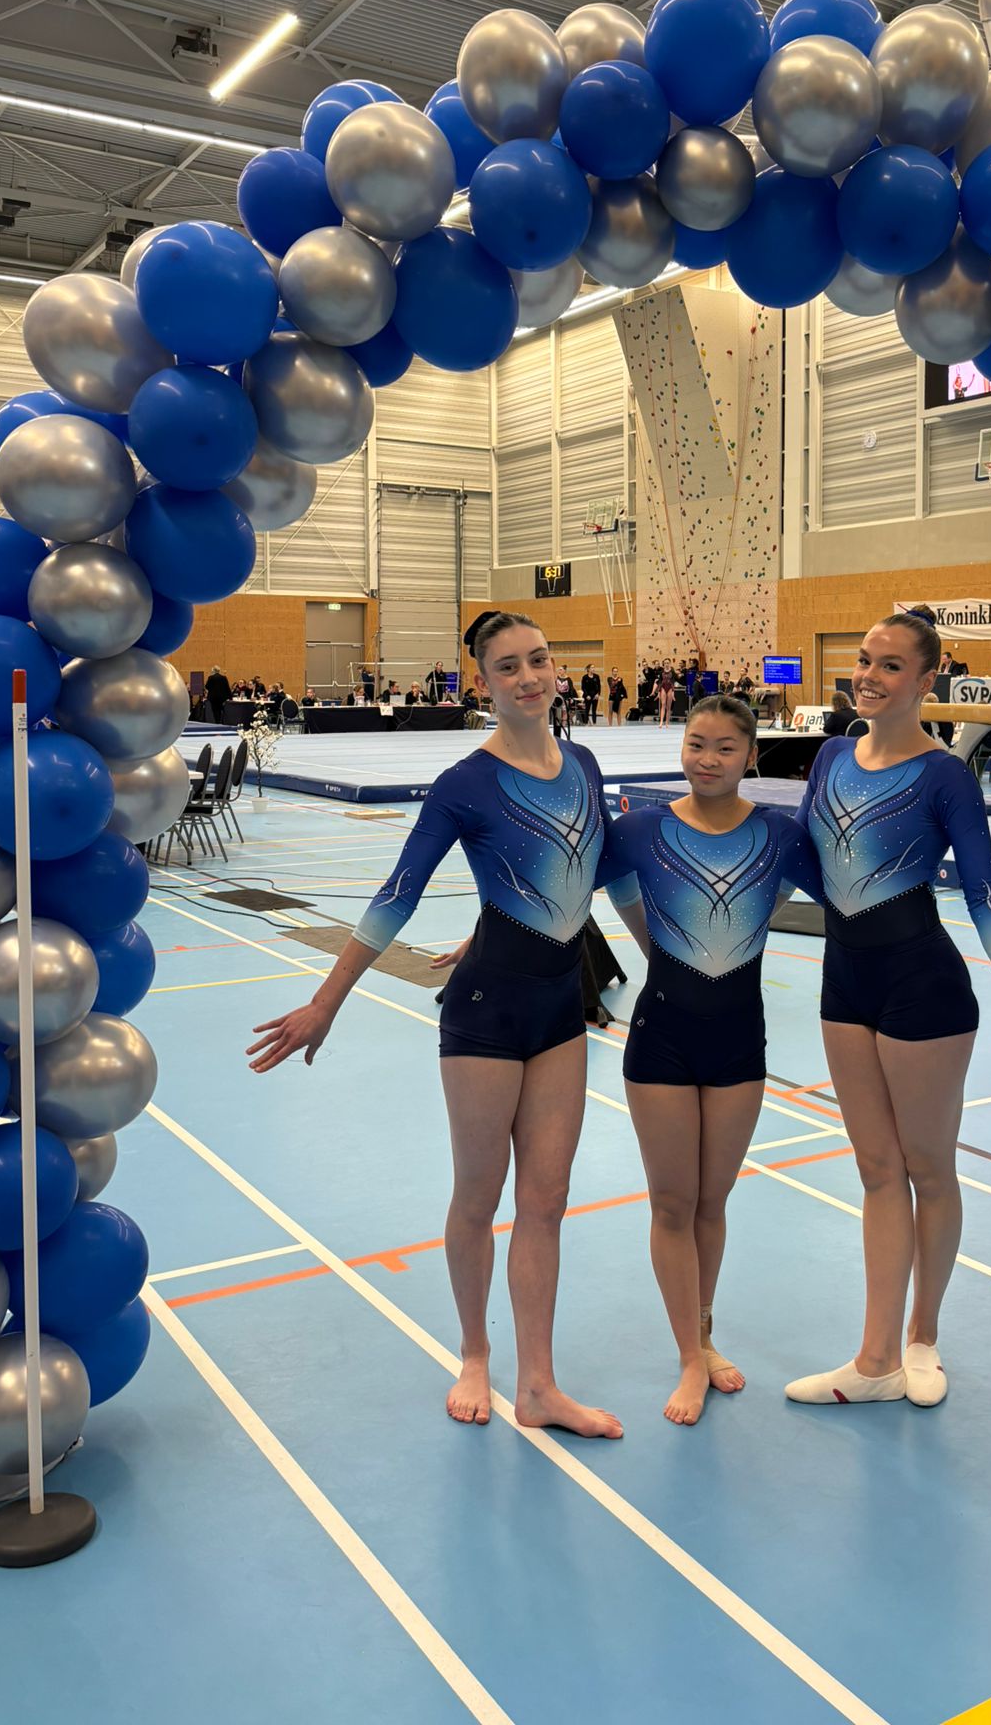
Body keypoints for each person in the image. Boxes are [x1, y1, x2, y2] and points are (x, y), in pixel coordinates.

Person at [247, 610, 623, 1440]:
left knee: (547, 1200)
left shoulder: (586, 764)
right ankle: (476, 1354)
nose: (529, 677)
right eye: (508, 667)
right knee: (479, 1196)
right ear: (483, 683)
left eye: (539, 659)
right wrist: (326, 1002)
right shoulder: (465, 783)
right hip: (487, 1014)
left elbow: (588, 870)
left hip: (560, 1008)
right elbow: (396, 896)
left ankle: (540, 1384)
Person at [786, 611, 991, 1410]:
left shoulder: (944, 776)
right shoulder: (831, 755)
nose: (869, 675)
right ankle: (874, 1360)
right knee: (876, 1171)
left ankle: (921, 1335)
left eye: (890, 665)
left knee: (928, 1168)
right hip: (843, 982)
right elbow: (807, 863)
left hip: (922, 986)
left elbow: (987, 895)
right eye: (864, 659)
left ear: (927, 681)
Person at [605, 696, 822, 1424]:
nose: (707, 759)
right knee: (672, 1202)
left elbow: (848, 899)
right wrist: (480, 937)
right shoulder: (640, 829)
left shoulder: (780, 836)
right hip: (661, 1036)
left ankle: (703, 1334)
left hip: (738, 1040)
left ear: (750, 756)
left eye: (725, 747)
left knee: (711, 1201)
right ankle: (689, 1358)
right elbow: (567, 891)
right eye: (696, 744)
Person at [655, 662, 676, 726]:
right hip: (663, 688)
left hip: (670, 688)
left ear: (669, 664)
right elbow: (660, 682)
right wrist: (658, 692)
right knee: (663, 704)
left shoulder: (672, 672)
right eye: (665, 663)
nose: (666, 664)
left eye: (668, 663)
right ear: (664, 664)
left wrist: (673, 692)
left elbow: (673, 682)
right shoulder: (661, 672)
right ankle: (661, 721)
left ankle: (667, 722)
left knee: (668, 706)